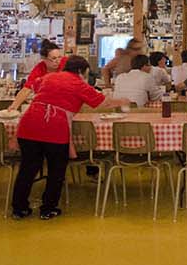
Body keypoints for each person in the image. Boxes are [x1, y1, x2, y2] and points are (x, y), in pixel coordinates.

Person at [11, 55, 128, 219]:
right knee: (56, 170)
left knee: (28, 169)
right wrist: (122, 101)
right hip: (54, 126)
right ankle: (47, 209)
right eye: (86, 73)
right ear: (81, 71)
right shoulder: (79, 84)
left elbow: (35, 87)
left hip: (28, 123)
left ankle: (19, 208)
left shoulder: (48, 77)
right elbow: (103, 103)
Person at [9, 40, 64, 110]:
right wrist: (14, 106)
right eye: (54, 58)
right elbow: (26, 89)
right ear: (44, 59)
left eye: (59, 57)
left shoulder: (66, 63)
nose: (58, 61)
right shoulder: (39, 69)